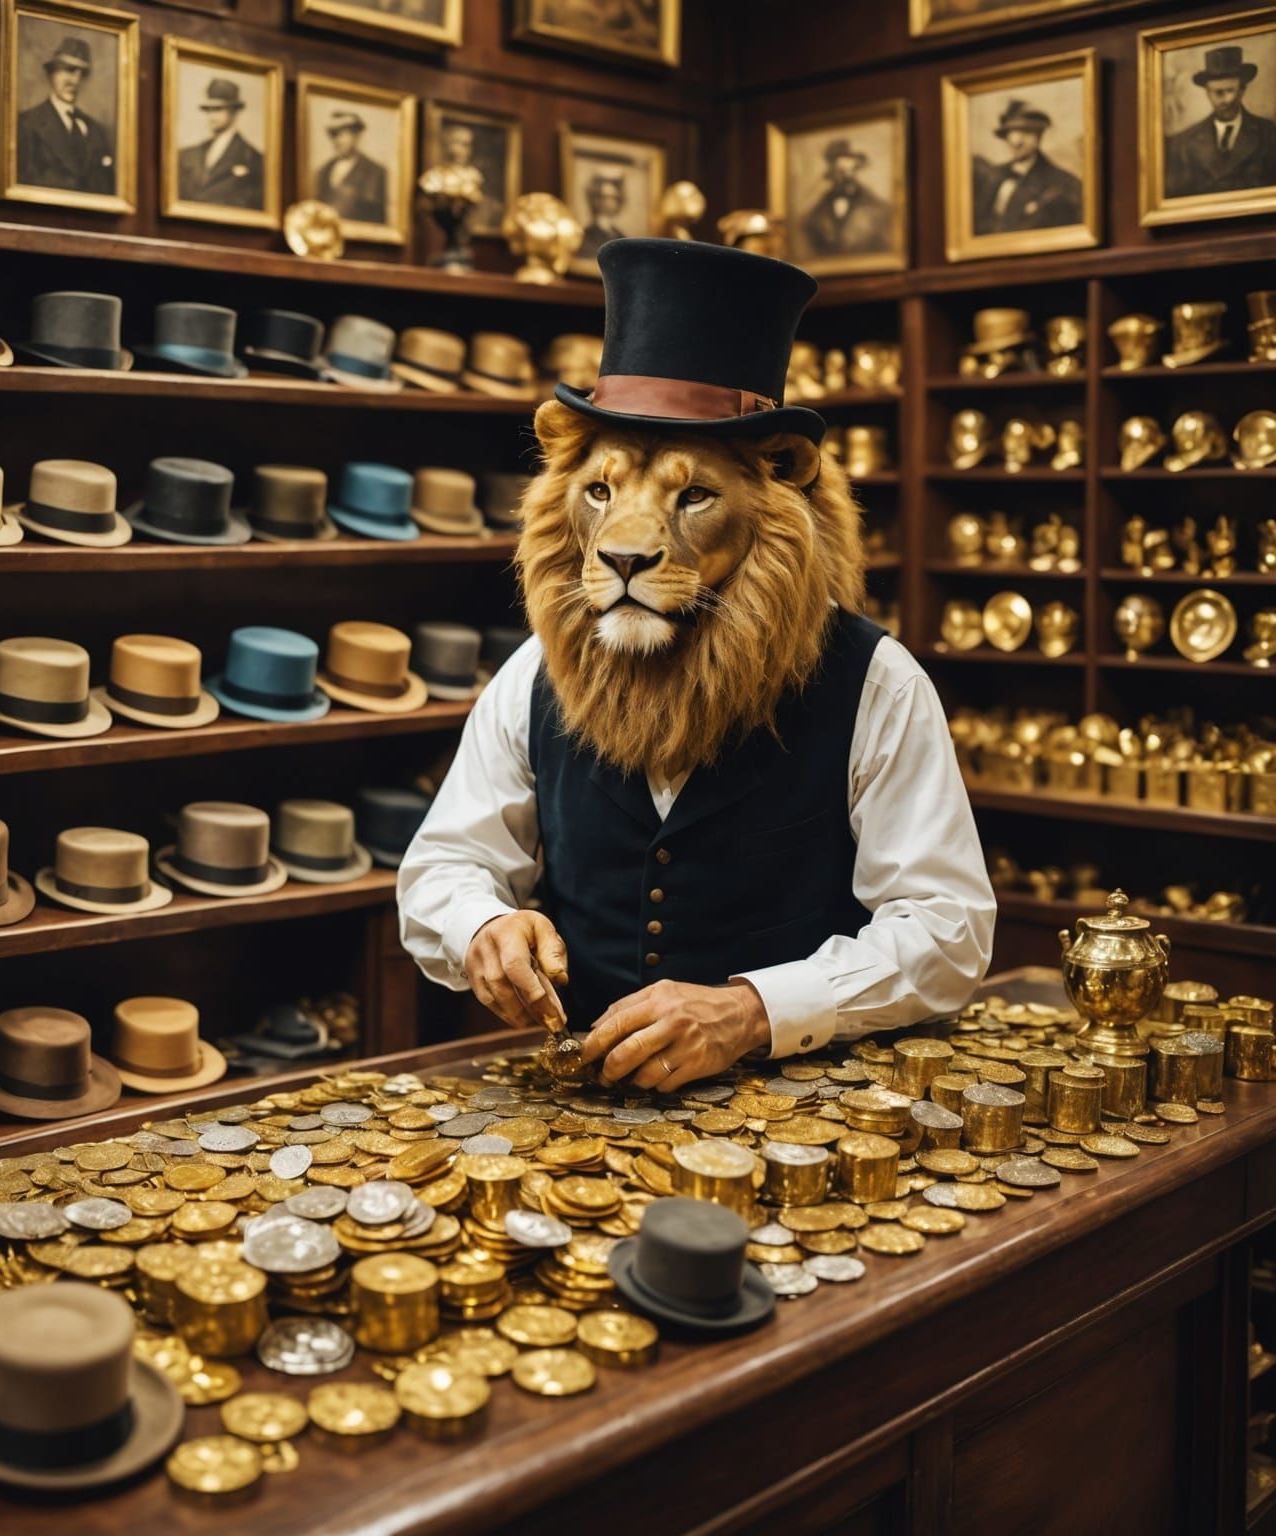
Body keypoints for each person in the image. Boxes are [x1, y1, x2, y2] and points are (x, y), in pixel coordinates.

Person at [397, 237, 994, 1090]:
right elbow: (442, 868)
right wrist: (482, 926)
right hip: (585, 1099)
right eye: (601, 492)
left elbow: (949, 929)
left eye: (693, 495)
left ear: (778, 497)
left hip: (803, 1106)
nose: (627, 547)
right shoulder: (533, 675)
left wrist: (756, 1009)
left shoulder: (876, 682)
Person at [1165, 44, 1276, 199]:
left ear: (1242, 90)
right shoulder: (1184, 143)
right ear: (1208, 93)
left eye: (1231, 90)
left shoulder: (1269, 133)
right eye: (1218, 93)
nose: (1226, 100)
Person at [16, 34, 115, 196]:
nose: (74, 81)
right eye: (68, 70)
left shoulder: (96, 130)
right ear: (51, 74)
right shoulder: (28, 123)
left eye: (81, 73)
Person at [972, 99, 1082, 235]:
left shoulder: (1064, 184)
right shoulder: (993, 176)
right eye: (1010, 132)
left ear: (1039, 136)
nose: (1016, 141)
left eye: (1026, 132)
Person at [178, 76, 263, 208]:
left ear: (234, 112)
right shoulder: (188, 155)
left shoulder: (253, 158)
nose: (211, 117)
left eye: (218, 109)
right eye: (208, 110)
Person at [800, 138, 892, 257]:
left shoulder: (880, 210)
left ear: (857, 169)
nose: (844, 177)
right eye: (840, 171)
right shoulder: (813, 217)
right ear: (831, 172)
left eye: (849, 171)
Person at [315, 109, 387, 224]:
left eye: (341, 134)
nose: (336, 141)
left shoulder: (375, 172)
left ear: (356, 136)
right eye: (333, 135)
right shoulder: (323, 171)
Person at [441, 120, 502, 234]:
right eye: (461, 144)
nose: (466, 150)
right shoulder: (435, 177)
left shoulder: (474, 176)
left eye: (468, 145)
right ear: (448, 146)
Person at [576, 168, 627, 259]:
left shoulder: (620, 236)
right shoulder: (586, 236)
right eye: (605, 197)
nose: (609, 202)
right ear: (596, 199)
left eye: (614, 197)